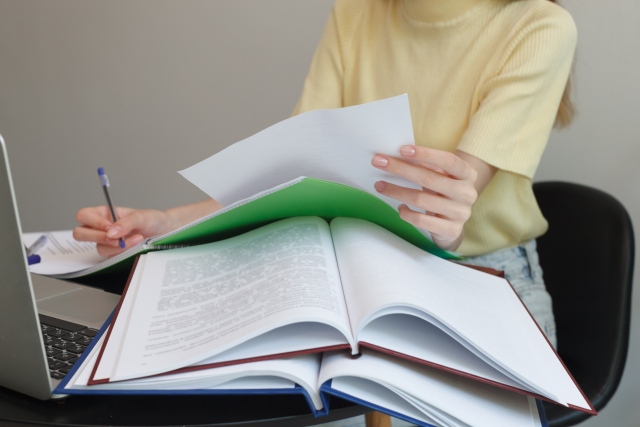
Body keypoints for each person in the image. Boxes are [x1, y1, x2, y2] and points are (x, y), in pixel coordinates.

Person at [74, 1, 575, 419]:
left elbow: (453, 200)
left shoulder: (538, 26)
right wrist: (171, 221)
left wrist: (442, 220)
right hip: (370, 269)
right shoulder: (358, 9)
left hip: (486, 277)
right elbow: (297, 172)